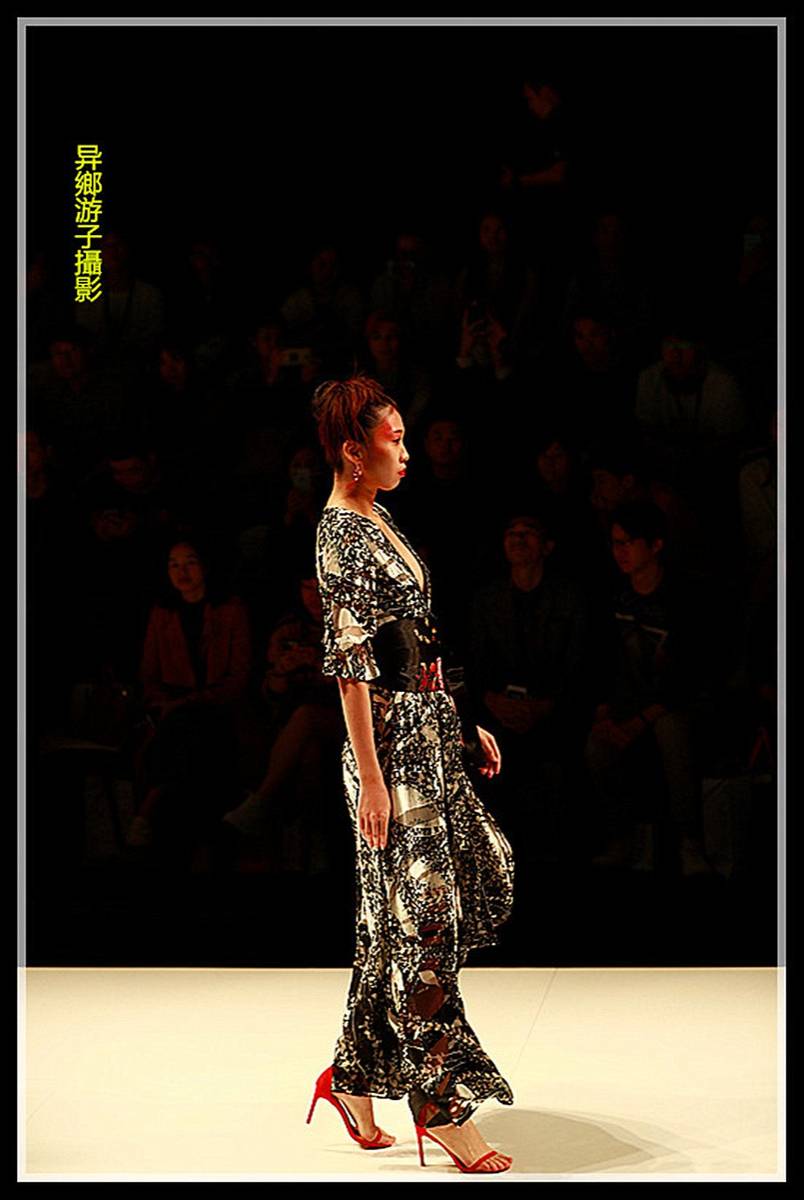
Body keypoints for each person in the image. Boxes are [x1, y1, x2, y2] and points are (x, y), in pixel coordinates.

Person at [306, 375, 514, 1173]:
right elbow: (351, 666)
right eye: (392, 439)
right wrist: (372, 778)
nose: (406, 451)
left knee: (392, 923)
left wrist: (459, 723)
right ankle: (440, 1101)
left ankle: (353, 1078)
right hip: (390, 755)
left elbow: (417, 639)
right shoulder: (339, 535)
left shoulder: (378, 517)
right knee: (424, 923)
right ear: (353, 451)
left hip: (428, 733)